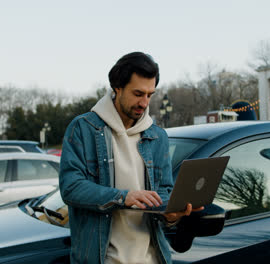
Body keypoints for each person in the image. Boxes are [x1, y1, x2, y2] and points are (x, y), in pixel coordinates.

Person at [59, 51, 201, 264]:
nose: (144, 102)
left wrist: (170, 215)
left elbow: (163, 193)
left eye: (149, 95)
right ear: (117, 87)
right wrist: (123, 197)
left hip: (153, 258)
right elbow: (71, 188)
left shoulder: (157, 136)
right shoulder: (83, 129)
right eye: (138, 93)